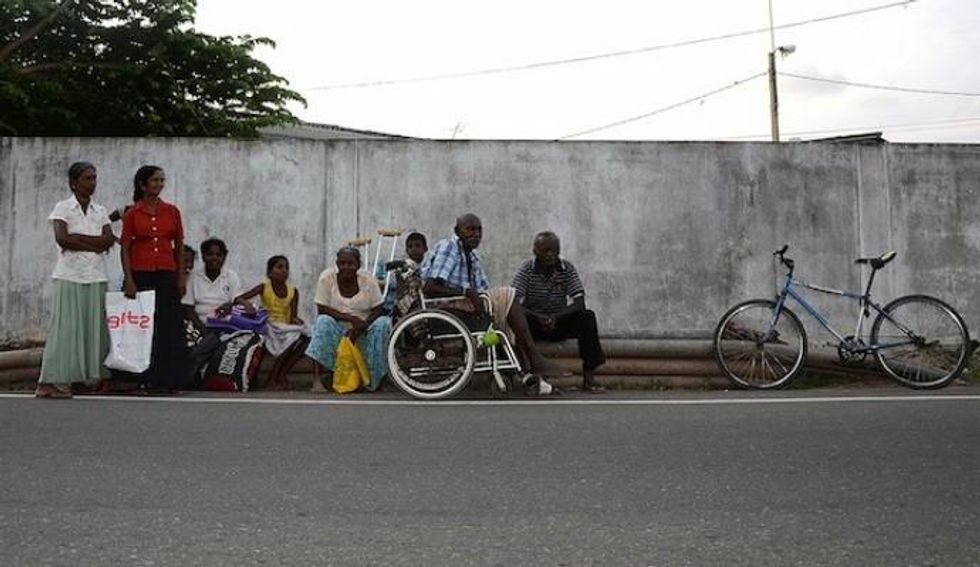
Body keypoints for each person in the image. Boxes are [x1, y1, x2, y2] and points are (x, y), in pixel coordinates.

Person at [421, 213, 565, 395]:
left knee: (505, 314)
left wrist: (479, 299)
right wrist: (466, 293)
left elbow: (484, 292)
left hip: (466, 305)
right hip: (446, 307)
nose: (476, 234)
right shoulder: (449, 247)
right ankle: (534, 361)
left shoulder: (473, 257)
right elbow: (430, 287)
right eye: (470, 229)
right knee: (508, 294)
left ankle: (526, 373)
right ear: (457, 231)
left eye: (479, 230)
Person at [36, 162, 115, 399]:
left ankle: (81, 378)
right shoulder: (64, 208)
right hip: (69, 275)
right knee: (66, 330)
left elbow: (108, 241)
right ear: (74, 182)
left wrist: (79, 238)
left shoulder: (99, 210)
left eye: (94, 178)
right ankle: (51, 381)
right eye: (88, 178)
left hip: (96, 275)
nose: (92, 182)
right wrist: (93, 243)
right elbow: (63, 239)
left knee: (92, 330)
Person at [117, 165, 189, 392]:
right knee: (145, 327)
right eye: (155, 180)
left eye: (161, 180)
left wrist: (181, 276)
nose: (159, 184)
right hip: (142, 274)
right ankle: (143, 377)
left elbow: (179, 245)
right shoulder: (132, 214)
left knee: (169, 326)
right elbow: (125, 248)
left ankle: (169, 379)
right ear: (143, 185)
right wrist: (129, 279)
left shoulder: (172, 211)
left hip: (166, 273)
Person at [513, 231, 607, 392]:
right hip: (535, 323)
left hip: (559, 321)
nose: (550, 255)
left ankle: (589, 376)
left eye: (554, 251)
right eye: (545, 251)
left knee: (587, 317)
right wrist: (538, 317)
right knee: (515, 320)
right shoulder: (527, 270)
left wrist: (556, 317)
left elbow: (579, 302)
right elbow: (513, 302)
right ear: (535, 252)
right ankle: (525, 376)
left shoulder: (566, 268)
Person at [305, 247, 391, 392]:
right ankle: (317, 380)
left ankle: (377, 380)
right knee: (322, 322)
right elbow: (322, 309)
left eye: (351, 263)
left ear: (358, 264)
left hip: (364, 329)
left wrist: (362, 325)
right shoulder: (327, 278)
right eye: (342, 263)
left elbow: (379, 308)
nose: (346, 267)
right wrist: (350, 319)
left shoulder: (368, 280)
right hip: (338, 330)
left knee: (384, 323)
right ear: (337, 264)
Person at [233, 255, 309, 389]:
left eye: (286, 268)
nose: (284, 271)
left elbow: (292, 317)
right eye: (279, 267)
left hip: (284, 327)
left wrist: (297, 321)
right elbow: (238, 299)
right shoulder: (264, 287)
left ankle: (281, 373)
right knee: (291, 337)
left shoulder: (293, 292)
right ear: (270, 272)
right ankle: (274, 377)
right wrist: (247, 305)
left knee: (307, 337)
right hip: (268, 325)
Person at [181, 237, 244, 385]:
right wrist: (203, 329)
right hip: (199, 324)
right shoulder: (194, 277)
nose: (214, 258)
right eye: (210, 254)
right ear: (203, 256)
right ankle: (189, 375)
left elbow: (237, 300)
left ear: (224, 256)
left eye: (218, 255)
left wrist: (233, 304)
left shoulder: (231, 276)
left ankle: (188, 377)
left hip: (224, 326)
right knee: (204, 342)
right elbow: (188, 309)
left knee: (210, 342)